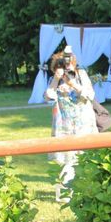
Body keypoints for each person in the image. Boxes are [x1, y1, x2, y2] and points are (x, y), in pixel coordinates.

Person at [44, 48, 98, 194]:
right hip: (63, 126)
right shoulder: (55, 79)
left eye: (67, 65)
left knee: (85, 157)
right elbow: (48, 97)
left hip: (83, 123)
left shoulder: (81, 74)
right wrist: (56, 79)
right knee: (63, 159)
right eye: (60, 66)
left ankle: (86, 189)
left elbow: (90, 95)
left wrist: (74, 84)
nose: (65, 69)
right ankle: (64, 192)